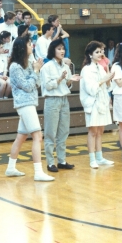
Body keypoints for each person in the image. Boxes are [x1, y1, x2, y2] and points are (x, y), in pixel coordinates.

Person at [7, 35, 54, 181]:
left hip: (30, 102)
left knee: (21, 137)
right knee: (37, 136)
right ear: (21, 47)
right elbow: (27, 86)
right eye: (28, 44)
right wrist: (35, 71)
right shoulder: (15, 66)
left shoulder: (29, 63)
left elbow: (38, 83)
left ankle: (10, 168)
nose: (31, 46)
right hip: (24, 104)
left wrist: (37, 70)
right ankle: (38, 172)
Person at [41, 38, 80, 172]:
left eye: (63, 49)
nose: (62, 51)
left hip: (64, 99)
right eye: (59, 49)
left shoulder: (65, 66)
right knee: (50, 132)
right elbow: (47, 86)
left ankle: (62, 160)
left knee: (63, 131)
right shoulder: (47, 67)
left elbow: (68, 85)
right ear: (53, 50)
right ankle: (50, 162)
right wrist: (60, 79)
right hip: (52, 100)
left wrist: (70, 80)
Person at [80, 40, 115, 168]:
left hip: (102, 101)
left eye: (101, 52)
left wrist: (108, 79)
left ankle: (100, 157)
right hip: (92, 103)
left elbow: (107, 86)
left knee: (100, 130)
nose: (100, 54)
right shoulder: (86, 70)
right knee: (93, 131)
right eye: (97, 52)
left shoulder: (101, 67)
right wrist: (103, 80)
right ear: (90, 54)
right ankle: (92, 159)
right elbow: (91, 88)